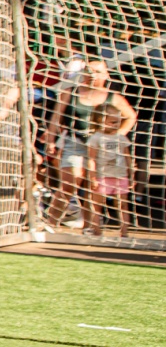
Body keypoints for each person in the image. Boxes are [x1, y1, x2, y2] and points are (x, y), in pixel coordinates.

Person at [45, 60, 134, 231]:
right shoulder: (70, 93)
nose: (92, 75)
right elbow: (56, 117)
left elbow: (131, 116)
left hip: (101, 147)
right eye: (89, 71)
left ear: (106, 75)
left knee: (94, 187)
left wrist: (117, 135)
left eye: (97, 72)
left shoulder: (113, 97)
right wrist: (50, 140)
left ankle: (90, 226)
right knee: (71, 181)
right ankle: (50, 223)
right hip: (75, 142)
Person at [85, 89, 138, 238]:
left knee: (122, 205)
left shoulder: (120, 137)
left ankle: (124, 231)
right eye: (113, 122)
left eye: (118, 122)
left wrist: (131, 174)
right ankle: (97, 230)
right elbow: (91, 159)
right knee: (97, 204)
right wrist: (92, 177)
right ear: (100, 121)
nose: (116, 125)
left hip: (120, 176)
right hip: (102, 176)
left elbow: (127, 156)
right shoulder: (95, 138)